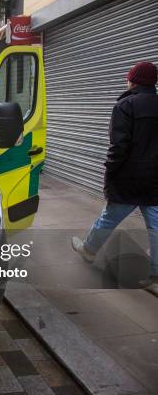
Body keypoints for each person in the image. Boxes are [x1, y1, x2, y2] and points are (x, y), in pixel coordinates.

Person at [71, 61, 158, 294]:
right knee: (156, 225)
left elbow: (119, 145)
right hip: (155, 179)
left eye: (128, 77)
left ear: (134, 81)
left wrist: (109, 170)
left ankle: (89, 250)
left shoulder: (126, 105)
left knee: (109, 217)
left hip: (129, 177)